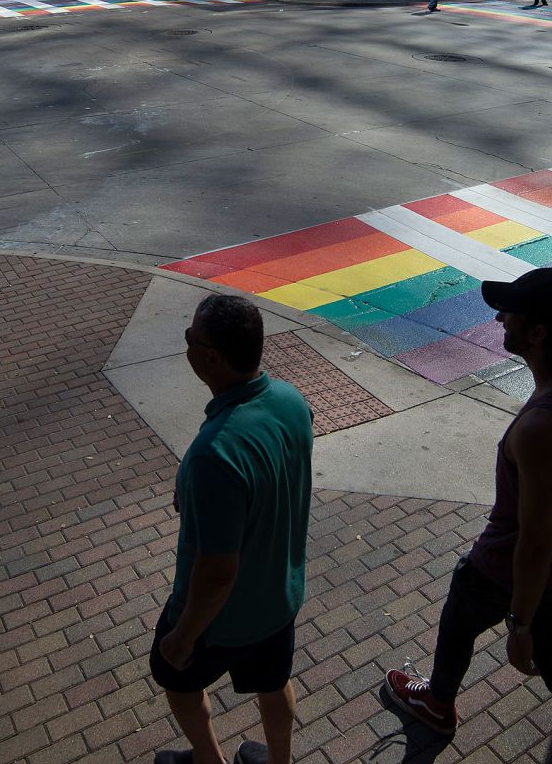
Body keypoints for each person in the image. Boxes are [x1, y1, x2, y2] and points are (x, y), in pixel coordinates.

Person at [383, 267, 552, 764]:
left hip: (506, 572)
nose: (498, 318)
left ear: (537, 333)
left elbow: (535, 539)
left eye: (510, 314)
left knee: (459, 617)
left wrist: (519, 624)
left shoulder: (542, 426)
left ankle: (438, 703)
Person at [151, 295, 313, 764]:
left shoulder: (214, 454)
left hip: (219, 619)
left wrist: (182, 637)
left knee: (175, 678)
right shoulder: (290, 401)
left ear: (211, 357)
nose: (186, 347)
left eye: (189, 339)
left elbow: (218, 573)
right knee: (273, 682)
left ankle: (209, 760)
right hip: (278, 598)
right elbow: (270, 471)